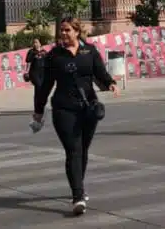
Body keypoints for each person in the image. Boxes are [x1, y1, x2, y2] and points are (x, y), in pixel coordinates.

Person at [33, 17, 118, 216]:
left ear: (77, 32)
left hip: (88, 108)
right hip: (64, 109)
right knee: (73, 150)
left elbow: (100, 73)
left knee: (83, 150)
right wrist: (38, 110)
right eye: (61, 30)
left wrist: (111, 83)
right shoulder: (55, 56)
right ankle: (77, 195)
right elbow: (45, 85)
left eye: (67, 30)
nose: (63, 34)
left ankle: (78, 183)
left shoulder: (89, 51)